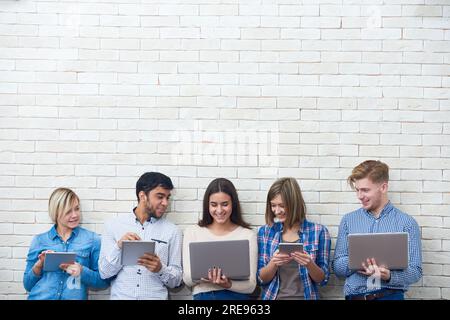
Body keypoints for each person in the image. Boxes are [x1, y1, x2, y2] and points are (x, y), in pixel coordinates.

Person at [333, 160, 422, 300]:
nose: (359, 196)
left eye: (365, 190)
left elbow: (415, 271)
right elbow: (337, 268)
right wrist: (358, 261)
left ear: (383, 187)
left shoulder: (407, 223)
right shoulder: (348, 221)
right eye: (357, 190)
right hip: (355, 296)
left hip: (391, 296)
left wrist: (389, 276)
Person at [99, 172, 182, 299]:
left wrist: (161, 269)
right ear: (142, 196)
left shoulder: (172, 231)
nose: (165, 203)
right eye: (160, 196)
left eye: (167, 197)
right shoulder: (113, 226)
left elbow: (177, 281)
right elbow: (104, 273)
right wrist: (119, 247)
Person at [23, 188, 109, 299]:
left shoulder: (92, 240)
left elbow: (104, 281)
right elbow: (28, 285)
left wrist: (82, 271)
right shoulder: (40, 240)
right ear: (56, 212)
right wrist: (39, 265)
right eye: (68, 211)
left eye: (77, 209)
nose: (74, 215)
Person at [182, 178, 257, 300]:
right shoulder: (193, 232)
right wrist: (204, 276)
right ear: (207, 205)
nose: (219, 210)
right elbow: (188, 280)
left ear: (233, 204)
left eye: (225, 204)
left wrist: (228, 284)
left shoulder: (247, 235)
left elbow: (251, 286)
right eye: (214, 204)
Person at [257, 177, 331, 300]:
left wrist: (309, 264)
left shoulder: (319, 232)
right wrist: (273, 263)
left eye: (282, 205)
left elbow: (323, 280)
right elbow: (261, 279)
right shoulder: (265, 232)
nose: (277, 211)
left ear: (294, 204)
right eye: (273, 205)